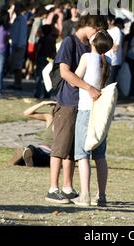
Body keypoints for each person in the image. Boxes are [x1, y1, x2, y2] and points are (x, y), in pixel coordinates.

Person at [45, 13, 108, 204]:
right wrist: (89, 88)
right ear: (89, 25)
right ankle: (53, 188)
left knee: (73, 150)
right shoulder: (69, 42)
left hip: (82, 105)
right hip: (66, 102)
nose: (98, 34)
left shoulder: (90, 48)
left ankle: (67, 187)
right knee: (60, 147)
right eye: (98, 29)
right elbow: (65, 72)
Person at [73, 30, 113, 207]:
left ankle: (85, 195)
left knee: (83, 154)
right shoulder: (108, 61)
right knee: (100, 155)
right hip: (101, 112)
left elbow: (74, 78)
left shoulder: (87, 57)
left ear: (94, 42)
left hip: (86, 110)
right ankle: (102, 195)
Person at [9, 100, 56, 167]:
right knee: (31, 149)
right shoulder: (50, 118)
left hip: (51, 154)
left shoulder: (69, 124)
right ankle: (26, 158)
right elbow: (27, 113)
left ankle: (25, 159)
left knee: (37, 154)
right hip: (40, 149)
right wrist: (42, 103)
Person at [34, 25, 57, 99]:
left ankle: (38, 93)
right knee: (47, 76)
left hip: (42, 57)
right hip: (49, 59)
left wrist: (36, 57)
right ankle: (47, 93)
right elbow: (54, 50)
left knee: (39, 76)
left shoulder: (42, 39)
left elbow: (38, 49)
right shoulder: (53, 39)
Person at [9, 3, 28, 90]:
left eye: (17, 8)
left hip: (19, 46)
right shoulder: (16, 18)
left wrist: (19, 45)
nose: (15, 10)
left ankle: (18, 84)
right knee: (15, 65)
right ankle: (16, 82)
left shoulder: (22, 19)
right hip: (15, 44)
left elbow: (22, 34)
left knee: (18, 66)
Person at [105, 12, 123, 84]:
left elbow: (116, 47)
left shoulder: (117, 31)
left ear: (112, 21)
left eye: (107, 20)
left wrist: (104, 44)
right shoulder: (105, 30)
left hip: (113, 62)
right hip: (104, 60)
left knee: (111, 83)